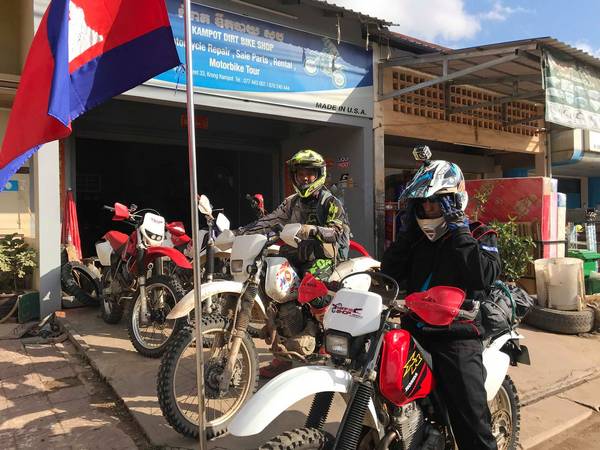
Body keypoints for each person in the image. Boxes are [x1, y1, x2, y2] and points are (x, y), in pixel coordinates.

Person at [381, 147, 501, 450]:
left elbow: (482, 278)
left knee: (471, 420)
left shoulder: (479, 233)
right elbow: (390, 275)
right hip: (414, 329)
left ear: (455, 202)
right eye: (423, 205)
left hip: (456, 336)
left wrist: (460, 231)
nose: (429, 212)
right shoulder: (417, 240)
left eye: (437, 204)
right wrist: (406, 235)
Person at [238, 149, 351, 378]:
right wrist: (239, 232)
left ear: (319, 174)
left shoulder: (330, 202)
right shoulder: (291, 203)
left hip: (323, 258)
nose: (305, 178)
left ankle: (325, 344)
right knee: (271, 289)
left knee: (312, 289)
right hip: (294, 256)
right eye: (300, 174)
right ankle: (282, 354)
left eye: (310, 173)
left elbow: (340, 232)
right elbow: (269, 221)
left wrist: (314, 230)